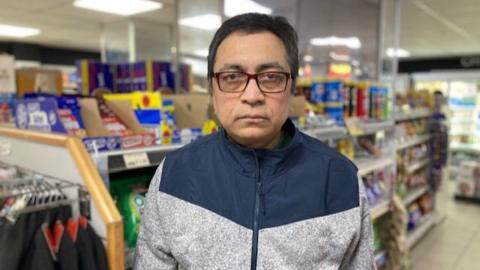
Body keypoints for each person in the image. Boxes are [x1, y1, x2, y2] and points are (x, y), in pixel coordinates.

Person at [134, 13, 374, 269]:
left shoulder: (340, 181)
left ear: (292, 89)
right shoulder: (175, 175)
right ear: (212, 90)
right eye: (232, 77)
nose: (252, 95)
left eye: (271, 77)